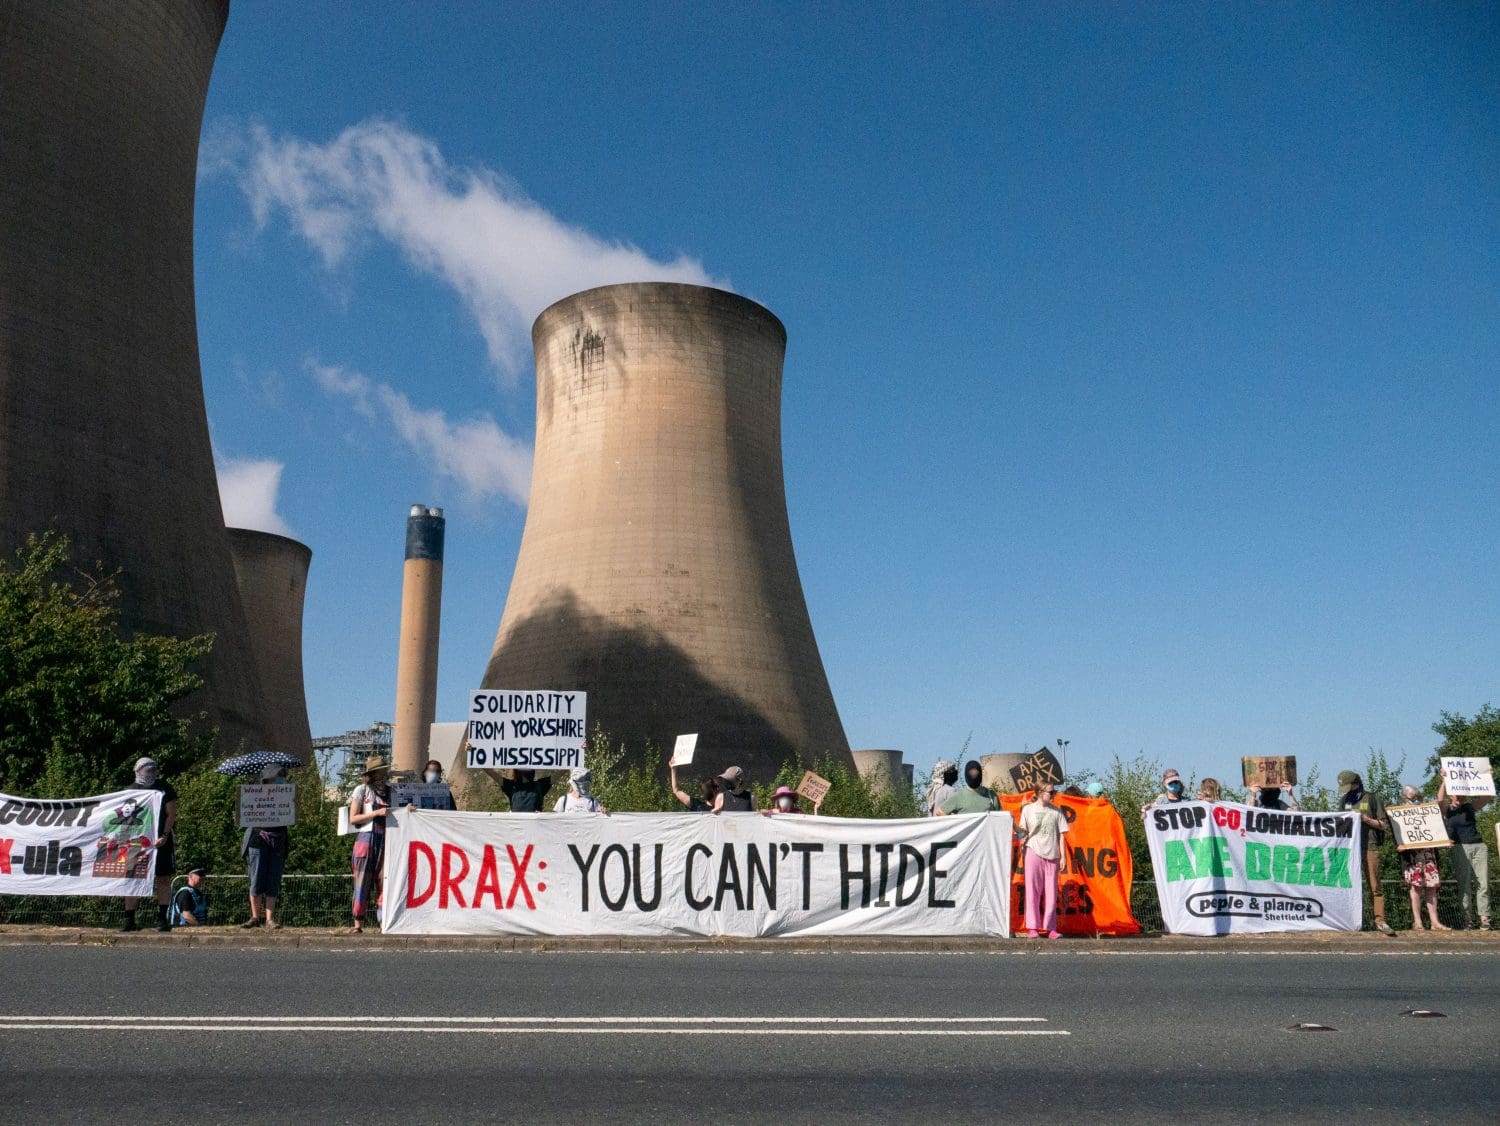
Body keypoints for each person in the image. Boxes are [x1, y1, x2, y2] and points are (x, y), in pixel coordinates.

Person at [122, 757, 178, 933]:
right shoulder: (129, 790)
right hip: (136, 842)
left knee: (163, 878)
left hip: (160, 841)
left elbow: (171, 814)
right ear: (137, 770)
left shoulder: (164, 788)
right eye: (146, 770)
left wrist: (165, 835)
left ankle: (162, 919)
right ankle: (129, 919)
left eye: (153, 770)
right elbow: (123, 817)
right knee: (133, 878)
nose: (150, 773)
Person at [1340, 770, 1395, 935]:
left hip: (1370, 847)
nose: (1347, 790)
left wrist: (1365, 820)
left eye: (1349, 786)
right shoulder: (1344, 800)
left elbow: (1384, 825)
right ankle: (1350, 921)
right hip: (1351, 848)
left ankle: (1380, 920)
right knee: (1347, 886)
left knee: (1375, 886)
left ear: (1356, 783)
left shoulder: (1371, 798)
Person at [241, 764, 291, 930]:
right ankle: (255, 916)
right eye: (275, 777)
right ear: (266, 779)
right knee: (256, 879)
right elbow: (245, 813)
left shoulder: (286, 794)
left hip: (278, 839)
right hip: (257, 839)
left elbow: (291, 814)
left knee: (273, 879)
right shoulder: (254, 794)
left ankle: (269, 918)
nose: (278, 780)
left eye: (281, 777)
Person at [1438, 778, 1492, 930]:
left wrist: (1487, 777)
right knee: (1464, 884)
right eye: (1457, 794)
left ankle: (1484, 918)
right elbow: (1439, 800)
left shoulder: (1469, 807)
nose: (1460, 797)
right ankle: (1467, 919)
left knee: (1483, 883)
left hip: (1478, 845)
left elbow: (1486, 798)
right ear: (1452, 795)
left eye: (1463, 794)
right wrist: (1444, 780)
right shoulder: (1448, 810)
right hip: (1460, 848)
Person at [1017, 784, 1069, 939]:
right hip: (1033, 851)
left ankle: (1050, 928)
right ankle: (1033, 927)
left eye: (1054, 791)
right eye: (1050, 791)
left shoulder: (1057, 812)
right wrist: (1020, 838)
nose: (1053, 794)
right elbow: (1022, 831)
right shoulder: (1028, 810)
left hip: (1052, 855)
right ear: (1040, 793)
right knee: (1033, 891)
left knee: (1051, 894)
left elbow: (1062, 836)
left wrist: (1063, 856)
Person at [347, 755, 391, 934]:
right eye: (378, 772)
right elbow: (353, 818)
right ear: (371, 774)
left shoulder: (391, 791)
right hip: (366, 840)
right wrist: (375, 813)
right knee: (362, 882)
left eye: (383, 771)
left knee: (385, 882)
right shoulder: (362, 790)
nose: (382, 774)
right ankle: (358, 923)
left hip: (387, 841)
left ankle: (383, 921)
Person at [1397, 784, 1449, 931]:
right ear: (1405, 798)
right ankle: (1418, 922)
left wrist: (1444, 840)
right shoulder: (1400, 814)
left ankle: (1435, 922)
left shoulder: (1428, 812)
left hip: (1429, 854)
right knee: (1416, 888)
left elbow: (1438, 828)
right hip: (1413, 857)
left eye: (1418, 797)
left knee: (1432, 888)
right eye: (1413, 798)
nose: (1416, 800)